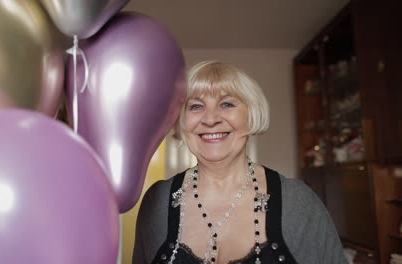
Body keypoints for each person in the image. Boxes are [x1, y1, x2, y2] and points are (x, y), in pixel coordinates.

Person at [133, 61, 346, 264]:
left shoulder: (299, 203)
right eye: (196, 106)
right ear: (181, 121)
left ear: (251, 115)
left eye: (226, 104)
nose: (210, 119)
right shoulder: (156, 201)